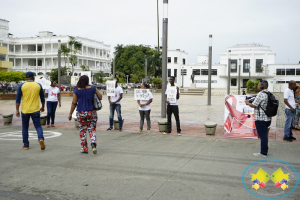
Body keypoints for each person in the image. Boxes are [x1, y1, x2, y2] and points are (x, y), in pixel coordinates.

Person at [68, 75, 102, 154]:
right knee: (92, 128)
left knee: (82, 130)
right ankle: (93, 142)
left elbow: (74, 103)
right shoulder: (93, 88)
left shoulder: (76, 90)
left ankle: (84, 148)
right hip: (91, 112)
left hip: (81, 113)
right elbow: (100, 97)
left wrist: (70, 114)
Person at [15, 71, 46, 150]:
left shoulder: (22, 85)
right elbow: (42, 98)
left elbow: (18, 99)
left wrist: (17, 110)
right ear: (33, 77)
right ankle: (41, 138)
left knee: (25, 127)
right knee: (38, 126)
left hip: (25, 110)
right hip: (35, 110)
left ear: (26, 77)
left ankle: (26, 145)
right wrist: (42, 107)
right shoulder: (38, 85)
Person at [245, 80, 271, 157]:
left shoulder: (261, 94)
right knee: (265, 135)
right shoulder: (269, 93)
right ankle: (265, 149)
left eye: (259, 84)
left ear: (262, 86)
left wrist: (247, 103)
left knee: (262, 136)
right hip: (268, 119)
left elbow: (254, 105)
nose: (258, 86)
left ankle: (263, 152)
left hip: (261, 119)